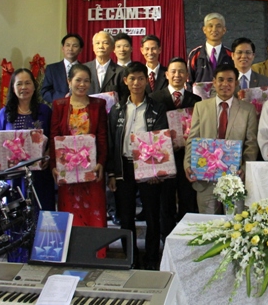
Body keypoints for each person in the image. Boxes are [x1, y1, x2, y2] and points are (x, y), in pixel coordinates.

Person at [106, 62, 169, 270]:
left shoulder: (156, 108)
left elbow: (160, 140)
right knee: (126, 216)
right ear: (125, 81)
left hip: (148, 168)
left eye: (140, 78)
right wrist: (112, 173)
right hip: (124, 166)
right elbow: (112, 142)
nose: (136, 83)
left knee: (152, 215)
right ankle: (130, 258)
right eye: (132, 78)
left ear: (146, 81)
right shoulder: (116, 110)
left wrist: (154, 169)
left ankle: (152, 259)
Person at [0, 69, 54, 262]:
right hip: (14, 178)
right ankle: (18, 258)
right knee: (16, 216)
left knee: (41, 214)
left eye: (28, 83)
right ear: (13, 87)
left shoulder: (44, 111)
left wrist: (47, 156)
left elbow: (53, 138)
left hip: (39, 176)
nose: (24, 88)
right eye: (19, 84)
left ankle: (43, 257)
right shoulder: (5, 113)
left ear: (34, 87)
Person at [184, 65, 258, 214]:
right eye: (221, 80)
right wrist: (187, 163)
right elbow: (193, 138)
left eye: (230, 80)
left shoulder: (247, 109)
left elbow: (251, 143)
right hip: (205, 178)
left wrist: (244, 168)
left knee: (234, 225)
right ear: (214, 82)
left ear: (236, 83)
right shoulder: (200, 107)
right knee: (207, 225)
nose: (225, 84)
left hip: (235, 178)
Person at [50, 64, 108, 229]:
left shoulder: (98, 104)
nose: (82, 84)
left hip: (91, 167)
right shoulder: (59, 105)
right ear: (69, 81)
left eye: (86, 81)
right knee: (70, 211)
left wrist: (101, 163)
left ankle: (97, 250)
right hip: (66, 168)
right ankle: (72, 250)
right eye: (78, 80)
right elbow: (54, 136)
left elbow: (103, 137)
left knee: (94, 209)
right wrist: (54, 166)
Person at [150, 57, 201, 233]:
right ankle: (167, 238)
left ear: (187, 75)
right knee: (166, 201)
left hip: (188, 157)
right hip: (164, 158)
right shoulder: (154, 98)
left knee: (188, 198)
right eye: (173, 71)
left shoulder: (196, 100)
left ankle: (185, 237)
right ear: (166, 74)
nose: (177, 75)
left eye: (181, 71)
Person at [188, 12, 233, 86]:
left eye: (218, 26)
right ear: (204, 30)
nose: (214, 29)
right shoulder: (195, 54)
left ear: (224, 30)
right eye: (210, 26)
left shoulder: (231, 55)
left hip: (224, 96)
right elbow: (189, 80)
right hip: (200, 97)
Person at [41, 33, 83, 103]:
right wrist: (63, 97)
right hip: (59, 109)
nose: (70, 49)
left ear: (80, 50)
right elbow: (45, 92)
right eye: (67, 45)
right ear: (63, 48)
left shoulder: (85, 69)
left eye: (75, 46)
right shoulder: (52, 69)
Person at [84, 31, 126, 97]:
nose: (101, 46)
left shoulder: (121, 71)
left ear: (113, 48)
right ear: (93, 47)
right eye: (97, 43)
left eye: (105, 43)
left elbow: (124, 97)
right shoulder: (84, 69)